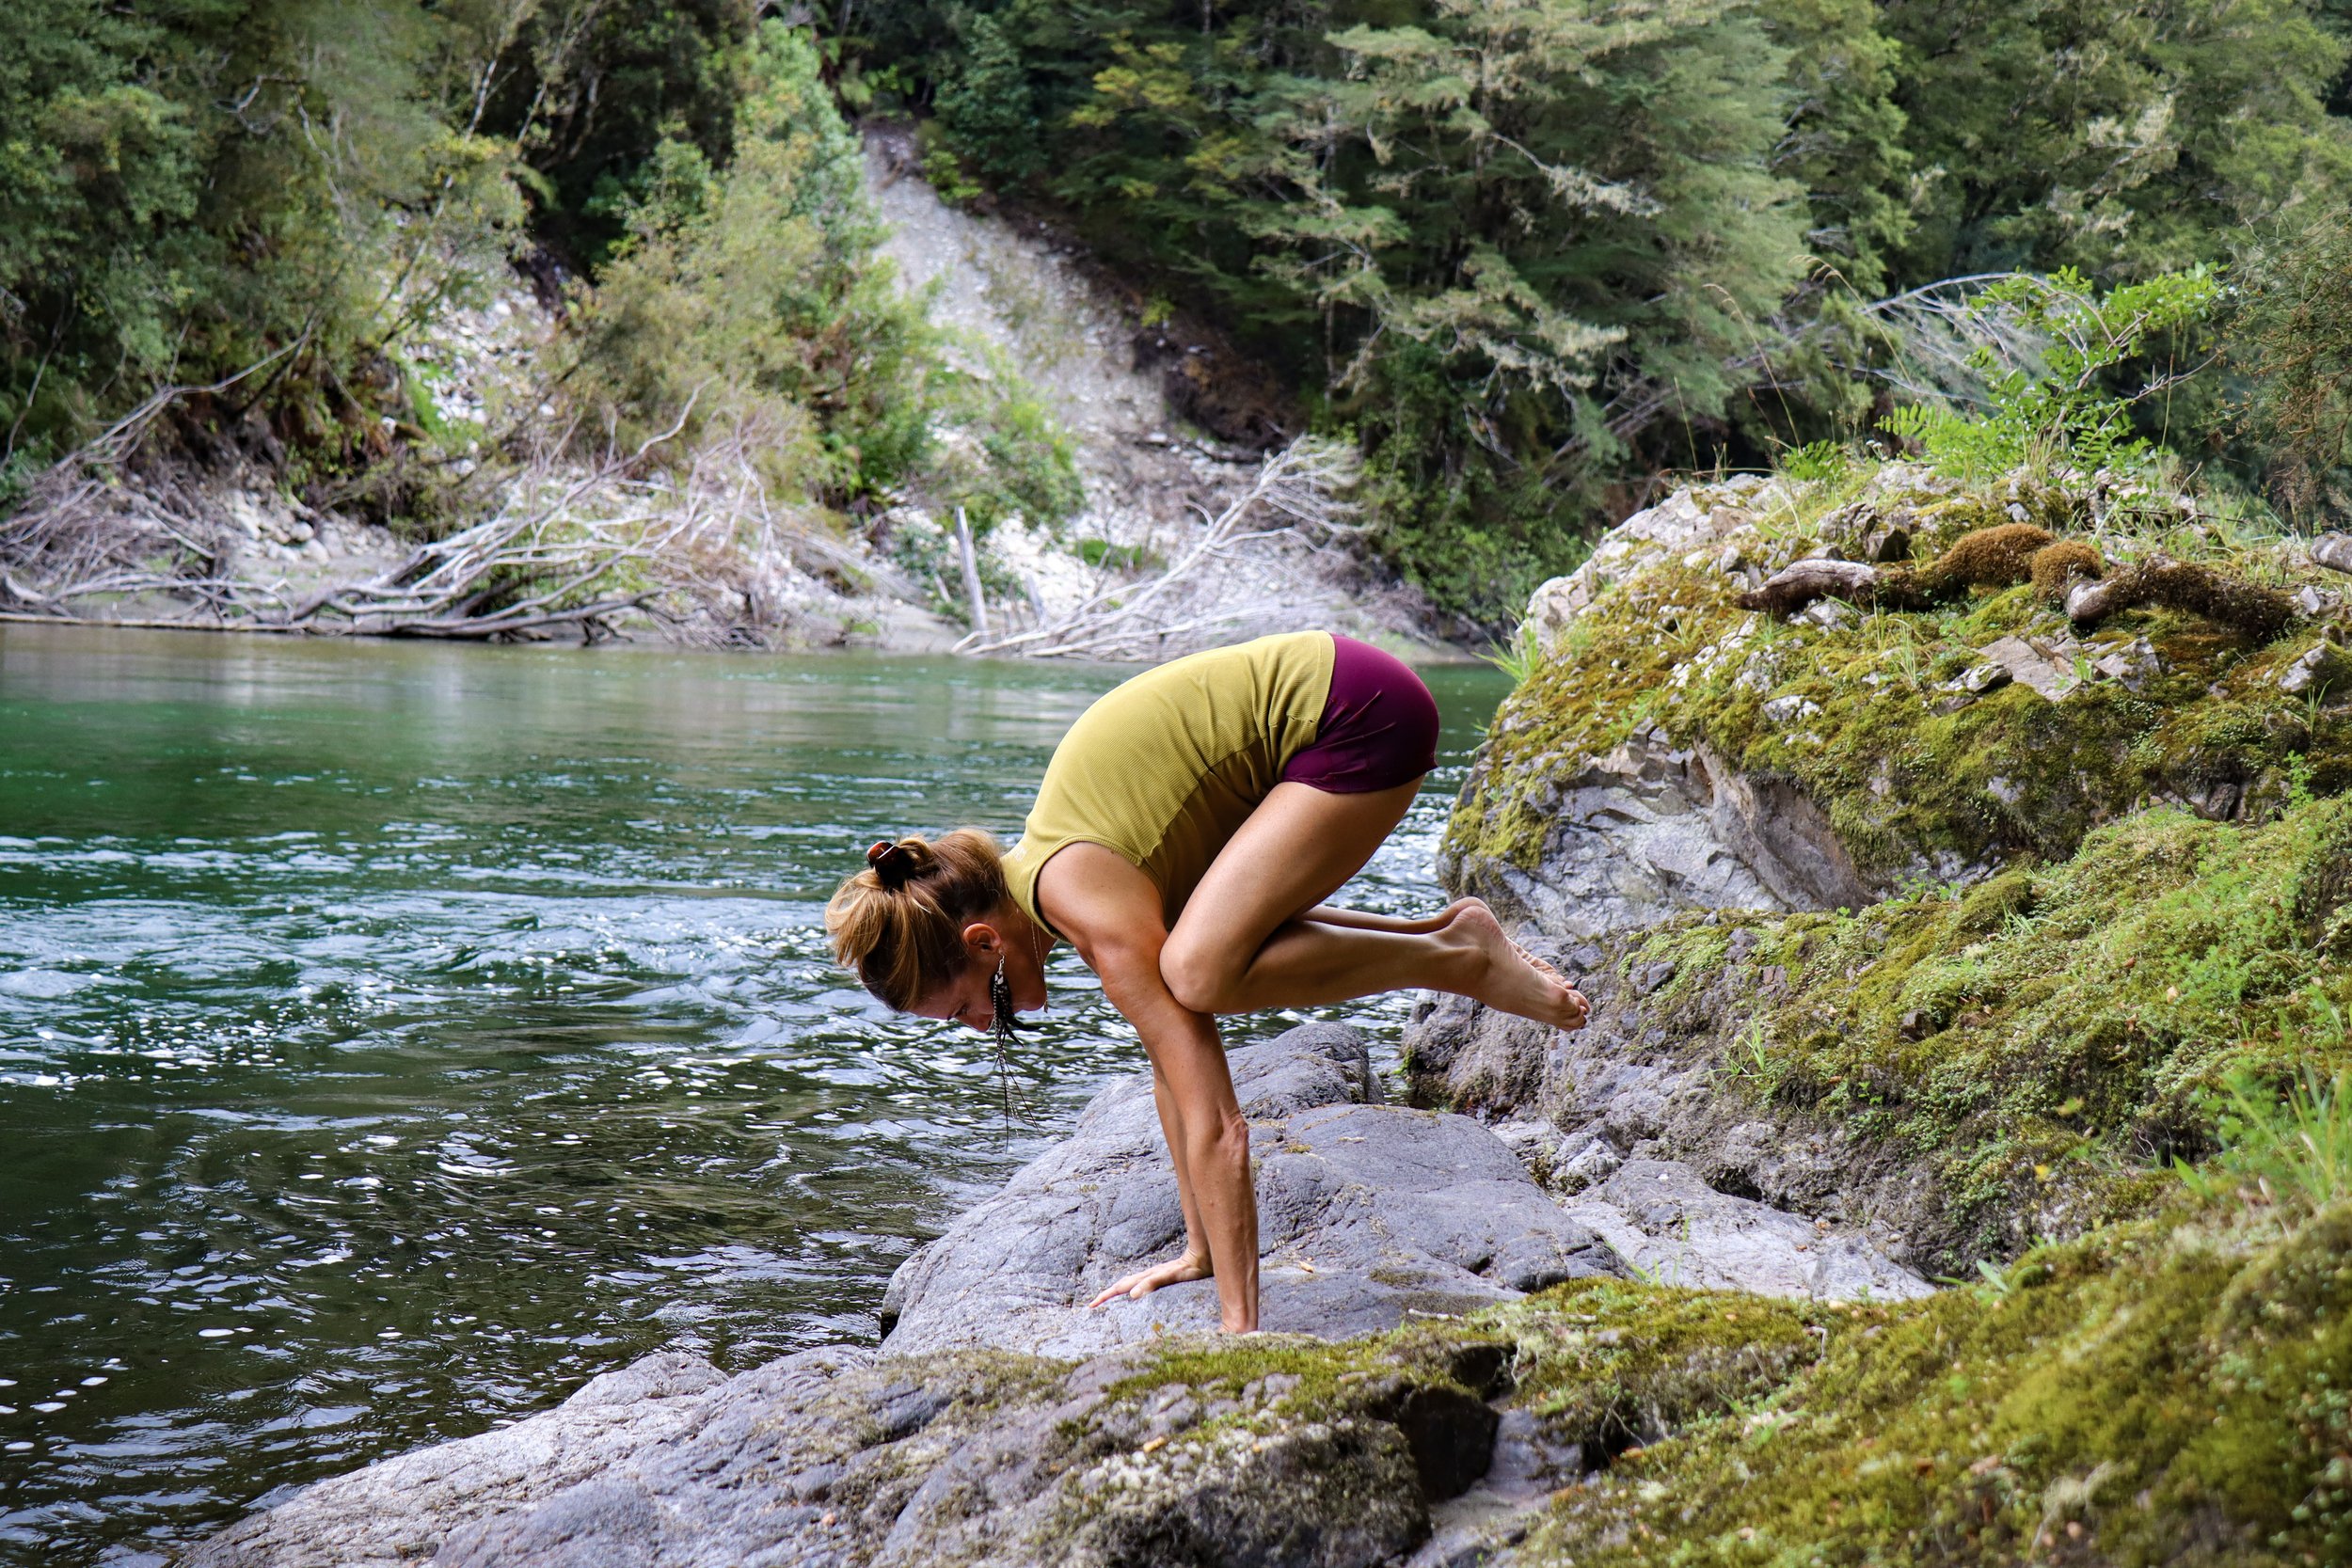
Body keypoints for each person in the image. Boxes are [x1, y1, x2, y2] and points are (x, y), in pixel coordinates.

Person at [824, 629, 1590, 1334]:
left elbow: (1219, 1121)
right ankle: (1452, 941)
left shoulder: (1082, 900)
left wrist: (1238, 1327)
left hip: (1359, 714)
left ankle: (1457, 958)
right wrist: (1201, 1254)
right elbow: (1171, 1073)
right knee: (1192, 968)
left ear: (984, 940)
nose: (981, 1027)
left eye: (963, 1006)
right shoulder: (1067, 889)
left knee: (1197, 968)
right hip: (1342, 708)